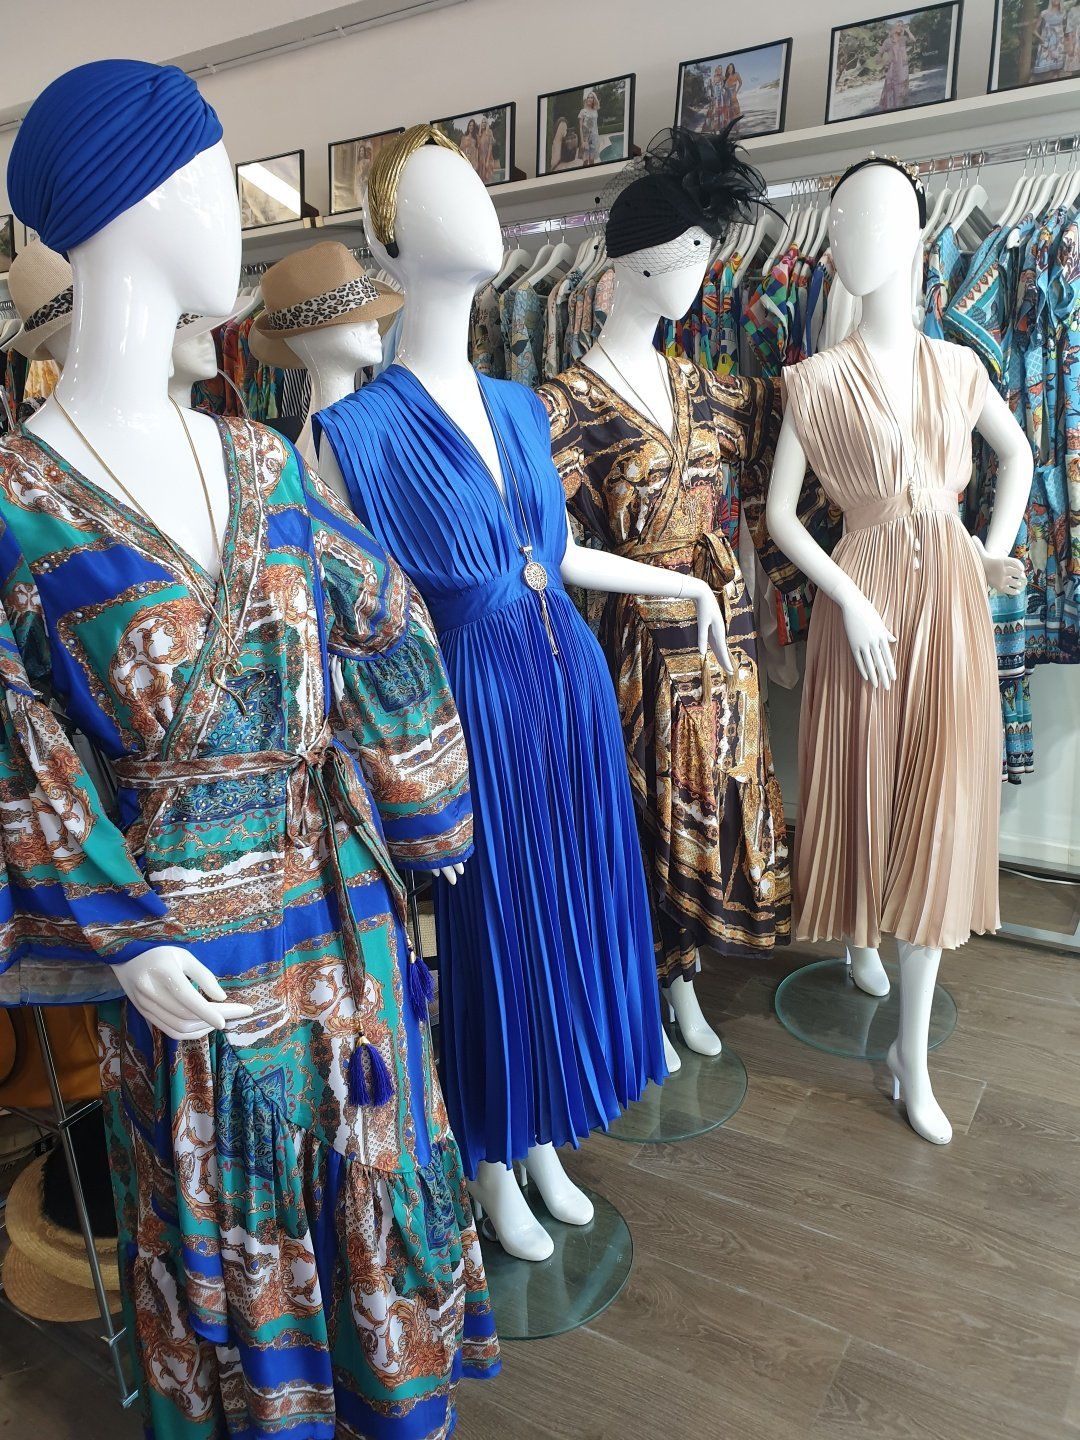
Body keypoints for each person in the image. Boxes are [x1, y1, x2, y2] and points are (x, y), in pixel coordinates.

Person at [878, 17, 914, 110]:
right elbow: (880, 53)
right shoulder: (887, 41)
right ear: (894, 27)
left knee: (903, 85)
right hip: (892, 67)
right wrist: (883, 63)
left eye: (902, 26)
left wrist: (908, 31)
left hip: (903, 67)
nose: (900, 27)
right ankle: (892, 106)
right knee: (891, 87)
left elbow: (913, 40)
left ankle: (901, 106)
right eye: (898, 25)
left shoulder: (904, 39)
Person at [1034, 0, 1068, 72]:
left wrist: (1064, 41)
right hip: (1046, 45)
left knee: (1056, 71)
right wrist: (1041, 39)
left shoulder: (1063, 13)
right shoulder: (1044, 13)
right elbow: (1034, 30)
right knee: (1043, 72)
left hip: (1059, 46)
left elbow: (1065, 29)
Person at [579, 87, 602, 166]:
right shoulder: (583, 111)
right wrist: (582, 141)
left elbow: (595, 126)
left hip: (594, 138)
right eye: (588, 97)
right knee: (585, 161)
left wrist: (597, 139)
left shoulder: (595, 111)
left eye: (591, 97)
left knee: (592, 160)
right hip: (586, 138)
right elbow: (580, 128)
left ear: (594, 100)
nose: (589, 99)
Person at [477, 115, 497, 183]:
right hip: (481, 159)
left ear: (486, 123)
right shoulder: (479, 134)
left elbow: (490, 146)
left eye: (485, 122)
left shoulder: (489, 132)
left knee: (488, 177)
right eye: (482, 122)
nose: (483, 124)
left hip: (488, 157)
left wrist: (487, 161)